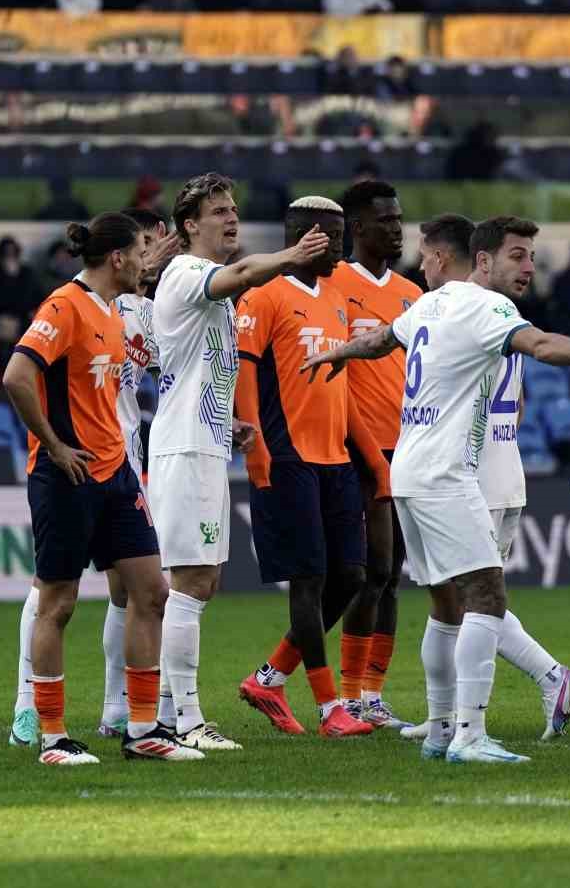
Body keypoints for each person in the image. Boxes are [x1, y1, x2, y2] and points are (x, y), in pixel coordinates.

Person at [302, 215, 570, 763]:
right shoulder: (488, 306)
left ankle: (437, 732)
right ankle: (471, 736)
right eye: (517, 256)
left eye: (530, 257)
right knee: (487, 598)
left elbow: (381, 340)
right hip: (446, 473)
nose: (527, 267)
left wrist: (339, 353)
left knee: (446, 607)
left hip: (409, 468)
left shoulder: (429, 304)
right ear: (482, 261)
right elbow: (542, 346)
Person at [389, 213, 570, 745]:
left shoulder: (475, 310)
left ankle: (541, 682)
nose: (422, 264)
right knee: (454, 601)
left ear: (449, 257)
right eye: (519, 256)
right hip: (473, 468)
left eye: (428, 254)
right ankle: (446, 720)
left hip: (479, 477)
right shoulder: (489, 313)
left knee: (477, 598)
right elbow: (517, 402)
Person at [1, 214, 194, 764]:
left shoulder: (114, 310)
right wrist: (55, 446)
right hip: (67, 476)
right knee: (57, 604)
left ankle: (140, 730)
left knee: (151, 592)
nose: (145, 262)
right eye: (139, 252)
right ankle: (53, 735)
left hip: (115, 473)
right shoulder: (64, 306)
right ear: (117, 259)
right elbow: (16, 376)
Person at [147, 173, 330, 750]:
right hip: (184, 448)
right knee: (191, 583)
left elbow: (186, 368)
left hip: (205, 443)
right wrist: (294, 255)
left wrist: (228, 420)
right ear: (189, 225)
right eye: (218, 210)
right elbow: (246, 273)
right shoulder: (186, 274)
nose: (231, 217)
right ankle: (186, 720)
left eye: (233, 207)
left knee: (204, 581)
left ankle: (172, 710)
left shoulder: (201, 282)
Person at [269, 179, 421, 733]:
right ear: (356, 228)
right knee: (365, 571)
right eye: (386, 220)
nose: (398, 228)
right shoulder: (336, 285)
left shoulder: (413, 293)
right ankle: (345, 694)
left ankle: (367, 694)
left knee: (388, 575)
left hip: (408, 445)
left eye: (399, 218)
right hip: (352, 445)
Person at [230, 198, 383, 738]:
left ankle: (270, 677)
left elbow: (341, 390)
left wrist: (373, 460)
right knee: (310, 580)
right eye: (334, 237)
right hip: (286, 456)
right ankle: (328, 708)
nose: (341, 248)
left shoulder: (336, 295)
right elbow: (244, 371)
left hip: (335, 459)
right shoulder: (264, 295)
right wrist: (255, 450)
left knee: (352, 577)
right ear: (305, 236)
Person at [0, 236, 45, 329]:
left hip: (27, 315)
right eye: (7, 253)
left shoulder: (27, 271)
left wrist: (36, 310)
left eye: (13, 252)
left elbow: (38, 294)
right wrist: (10, 277)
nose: (11, 256)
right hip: (6, 317)